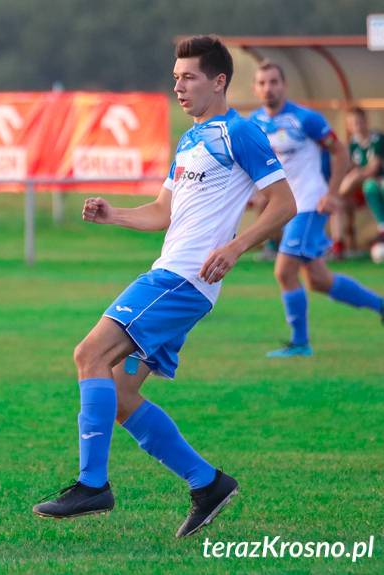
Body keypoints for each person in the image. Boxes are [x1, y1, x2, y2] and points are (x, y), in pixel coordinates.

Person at [32, 36, 297, 538]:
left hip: (181, 279)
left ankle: (92, 485)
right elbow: (162, 212)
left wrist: (236, 247)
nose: (178, 86)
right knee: (120, 393)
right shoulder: (190, 139)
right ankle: (208, 483)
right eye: (175, 77)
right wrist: (113, 215)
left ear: (219, 81)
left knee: (90, 354)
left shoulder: (240, 132)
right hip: (177, 279)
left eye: (189, 77)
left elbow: (284, 204)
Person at [249, 61, 384, 358]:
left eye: (274, 82)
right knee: (319, 280)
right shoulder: (254, 123)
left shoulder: (305, 119)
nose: (268, 88)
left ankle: (300, 344)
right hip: (286, 209)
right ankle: (381, 306)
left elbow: (341, 153)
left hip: (310, 203)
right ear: (255, 88)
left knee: (284, 271)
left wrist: (332, 194)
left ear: (284, 85)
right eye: (262, 83)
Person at [340, 107, 384, 243]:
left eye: (359, 122)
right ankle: (342, 241)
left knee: (371, 186)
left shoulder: (378, 139)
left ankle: (382, 229)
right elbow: (347, 167)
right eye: (352, 123)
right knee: (340, 201)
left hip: (378, 182)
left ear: (366, 121)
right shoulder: (352, 144)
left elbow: (373, 169)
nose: (356, 126)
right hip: (361, 188)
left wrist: (354, 176)